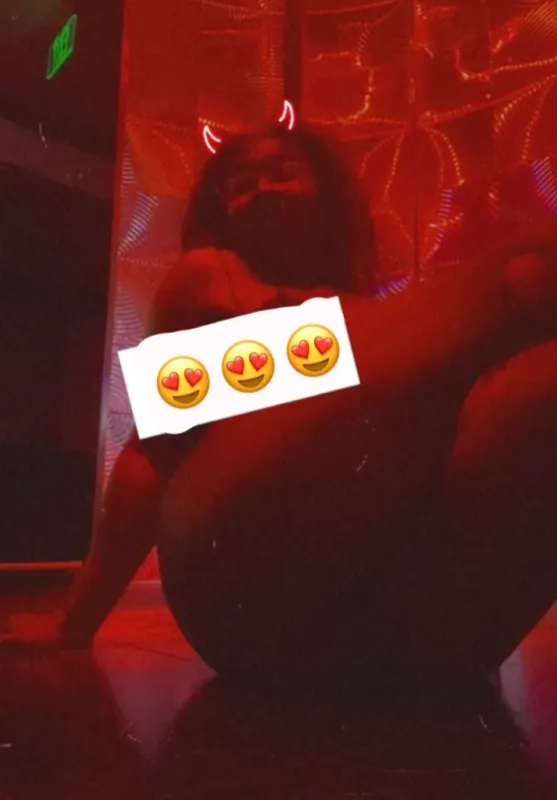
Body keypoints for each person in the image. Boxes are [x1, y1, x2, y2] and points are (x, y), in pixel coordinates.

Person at [4, 124, 557, 693]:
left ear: (327, 192)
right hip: (236, 581)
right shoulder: (209, 275)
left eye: (282, 172)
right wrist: (77, 623)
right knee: (527, 277)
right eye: (240, 184)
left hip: (392, 617)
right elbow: (152, 450)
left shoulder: (373, 325)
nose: (262, 190)